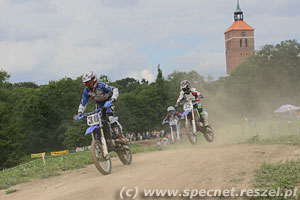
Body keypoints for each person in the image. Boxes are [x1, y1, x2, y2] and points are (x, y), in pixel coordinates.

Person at [74, 71, 126, 143]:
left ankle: (119, 136)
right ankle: (102, 139)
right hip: (99, 105)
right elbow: (83, 103)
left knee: (109, 117)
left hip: (108, 103)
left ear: (94, 79)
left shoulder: (101, 85)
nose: (88, 85)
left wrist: (112, 99)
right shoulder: (86, 91)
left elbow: (114, 89)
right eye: (86, 83)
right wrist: (80, 112)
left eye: (89, 82)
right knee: (97, 121)